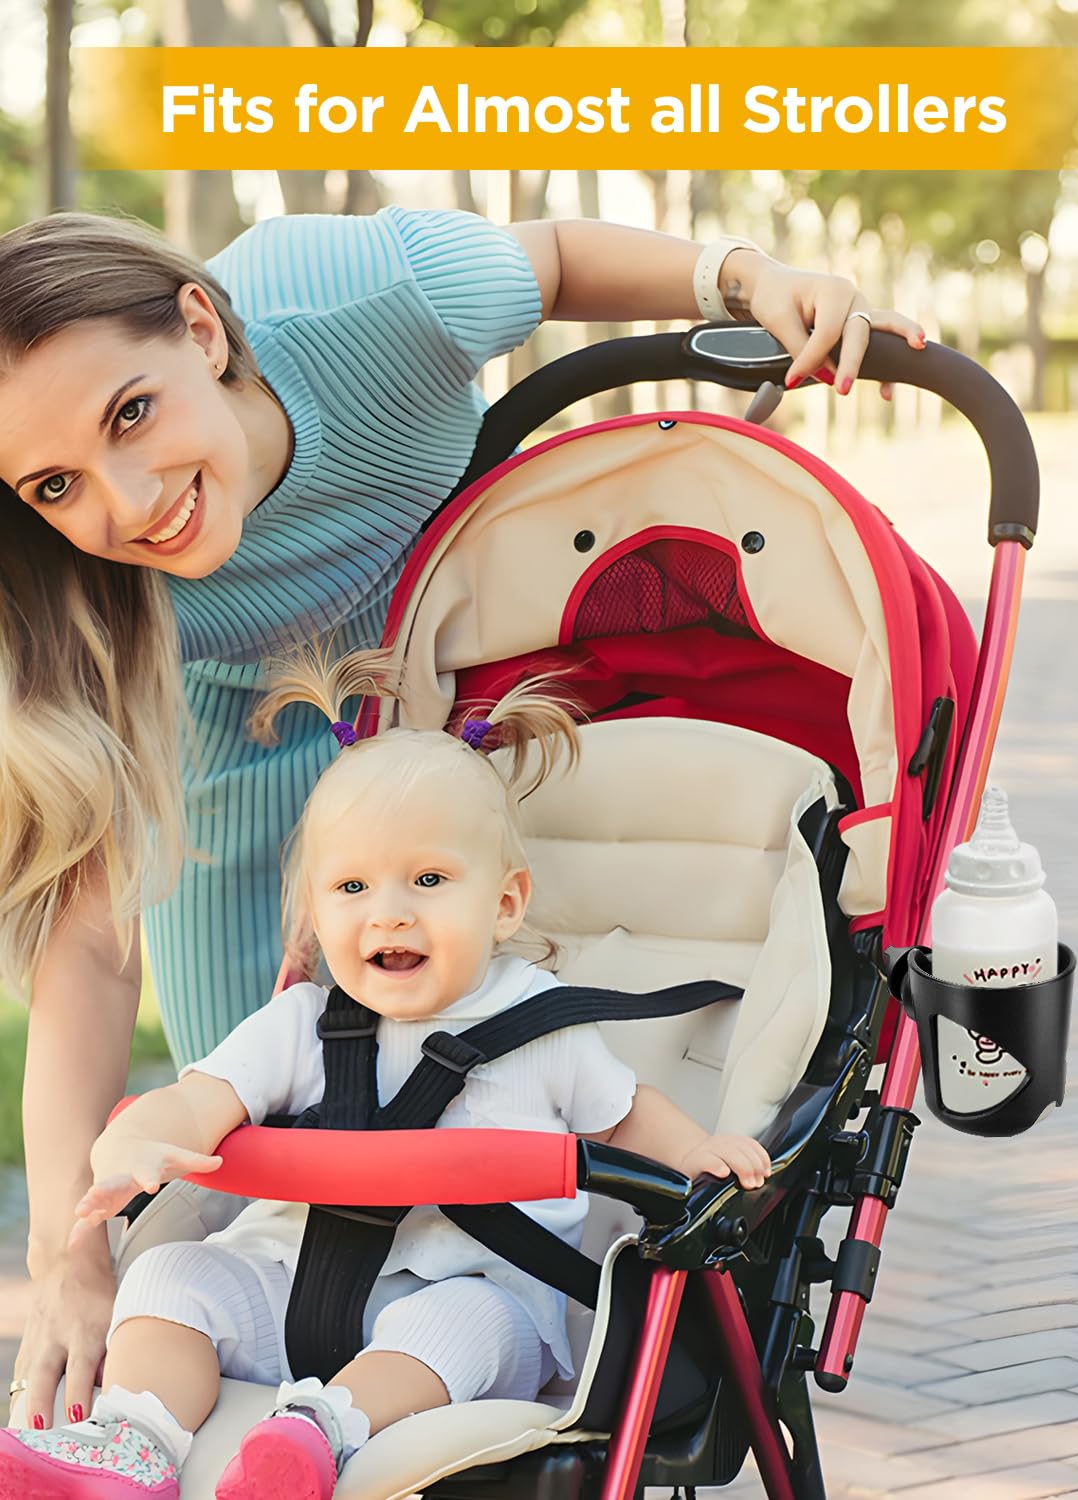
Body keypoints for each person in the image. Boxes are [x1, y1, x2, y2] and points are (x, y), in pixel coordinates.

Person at [0, 202, 926, 1429]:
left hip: (475, 677)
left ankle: (476, 1364)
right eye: (55, 482)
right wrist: (64, 1254)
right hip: (240, 734)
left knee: (507, 1043)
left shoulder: (356, 300)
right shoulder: (69, 584)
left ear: (202, 329)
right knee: (268, 1148)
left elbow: (555, 258)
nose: (126, 501)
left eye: (131, 413)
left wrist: (749, 279)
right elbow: (89, 942)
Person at [0, 653, 772, 1499]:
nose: (390, 912)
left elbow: (625, 1117)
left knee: (466, 1322)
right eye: (353, 886)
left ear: (505, 903)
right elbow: (203, 1098)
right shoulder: (299, 1025)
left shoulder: (544, 1030)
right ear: (314, 911)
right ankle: (136, 1442)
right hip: (292, 1288)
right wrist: (142, 1137)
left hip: (463, 1300)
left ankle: (314, 1436)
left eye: (429, 880)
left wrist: (696, 1154)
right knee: (168, 1276)